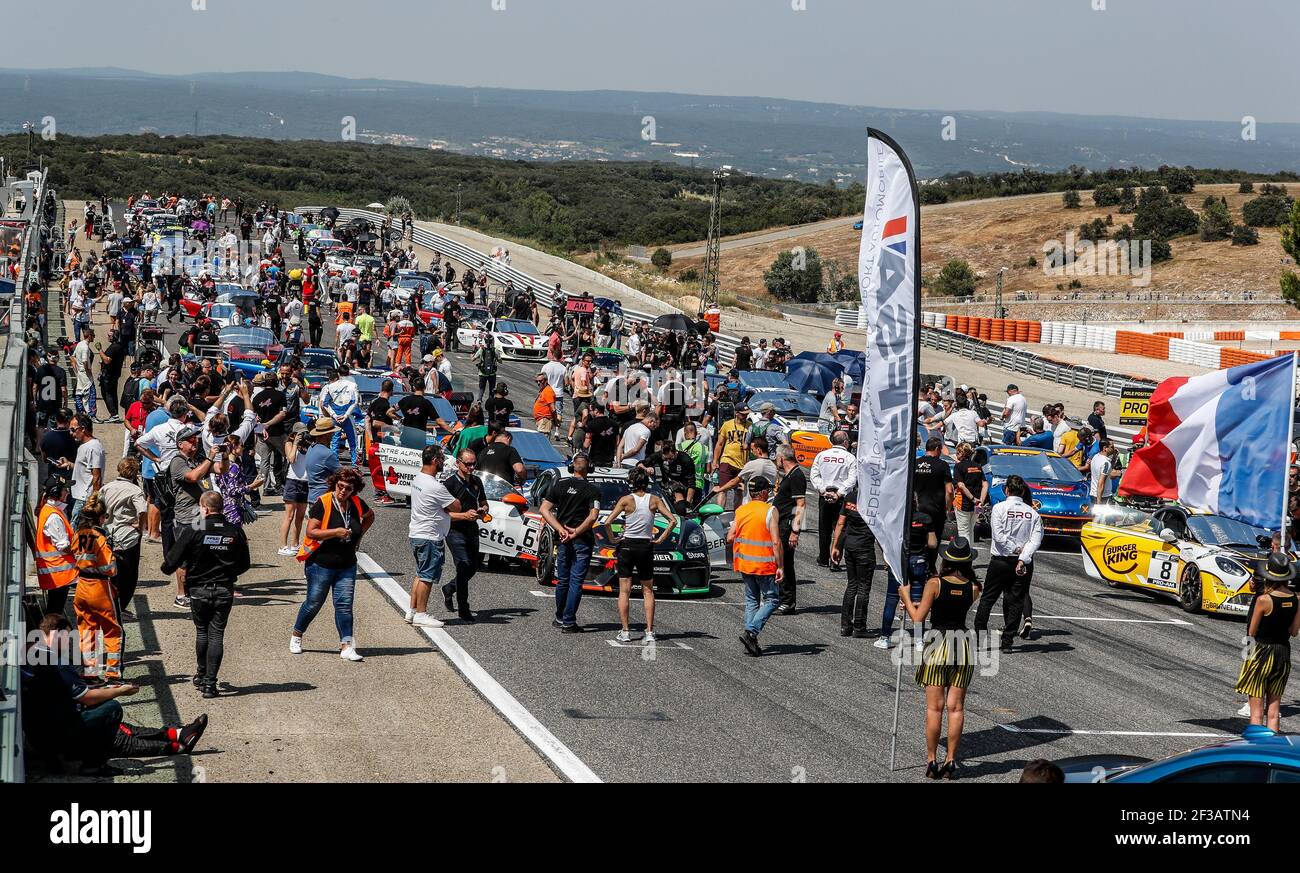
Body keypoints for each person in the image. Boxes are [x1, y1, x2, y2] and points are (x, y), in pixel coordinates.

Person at [21, 614, 208, 777]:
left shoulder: (29, 650)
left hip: (41, 730)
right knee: (112, 715)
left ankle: (177, 734)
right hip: (57, 733)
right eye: (67, 635)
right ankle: (95, 764)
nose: (70, 641)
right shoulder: (56, 663)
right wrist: (121, 690)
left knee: (114, 726)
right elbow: (86, 697)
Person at [898, 537, 981, 780]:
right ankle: (951, 759)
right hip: (963, 644)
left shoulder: (935, 583)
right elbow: (953, 604)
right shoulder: (975, 587)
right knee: (956, 708)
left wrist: (906, 597)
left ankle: (932, 759)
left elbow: (918, 618)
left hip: (938, 643)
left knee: (935, 708)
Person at [163, 491, 251, 698]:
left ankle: (202, 675)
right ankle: (210, 684)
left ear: (204, 508)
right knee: (216, 634)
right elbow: (245, 564)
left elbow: (170, 562)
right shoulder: (234, 530)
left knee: (202, 632)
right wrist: (228, 572)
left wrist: (174, 567)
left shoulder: (196, 528)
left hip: (199, 589)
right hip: (223, 589)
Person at [293, 467, 374, 661]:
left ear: (354, 490)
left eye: (348, 488)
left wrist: (358, 536)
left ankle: (346, 645)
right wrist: (335, 532)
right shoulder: (324, 502)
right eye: (340, 486)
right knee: (314, 603)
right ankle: (297, 634)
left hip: (346, 564)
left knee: (344, 605)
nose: (343, 491)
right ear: (334, 484)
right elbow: (311, 532)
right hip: (321, 563)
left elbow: (370, 516)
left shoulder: (356, 503)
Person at [973, 474, 1043, 652]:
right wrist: (1022, 556)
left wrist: (1016, 550)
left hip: (1001, 561)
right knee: (1016, 601)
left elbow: (998, 535)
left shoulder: (999, 508)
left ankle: (980, 638)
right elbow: (1036, 540)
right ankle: (1007, 642)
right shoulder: (1033, 513)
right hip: (1022, 563)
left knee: (988, 599)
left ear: (1006, 490)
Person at [604, 466, 674, 642]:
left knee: (625, 590)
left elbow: (607, 522)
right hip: (645, 545)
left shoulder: (626, 500)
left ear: (631, 482)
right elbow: (672, 520)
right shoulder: (654, 500)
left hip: (627, 545)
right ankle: (649, 631)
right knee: (648, 590)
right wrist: (659, 539)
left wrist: (613, 539)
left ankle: (626, 631)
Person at [1236, 553, 1299, 732]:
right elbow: (1294, 632)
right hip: (1282, 652)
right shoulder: (1296, 599)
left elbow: (1252, 631)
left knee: (1256, 712)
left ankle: (1256, 750)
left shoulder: (1263, 600)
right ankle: (1272, 748)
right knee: (1274, 710)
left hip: (1261, 652)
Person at [540, 455, 602, 633]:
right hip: (581, 539)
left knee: (563, 579)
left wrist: (560, 529)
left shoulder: (560, 485)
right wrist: (577, 531)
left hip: (564, 538)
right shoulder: (593, 490)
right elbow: (593, 516)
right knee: (576, 581)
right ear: (589, 468)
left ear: (571, 467)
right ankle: (568, 621)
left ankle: (560, 617)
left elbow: (545, 509)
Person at [406, 445, 459, 629]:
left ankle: (412, 610)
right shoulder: (435, 486)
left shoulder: (418, 479)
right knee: (427, 576)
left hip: (418, 532)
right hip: (430, 536)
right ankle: (421, 613)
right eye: (442, 459)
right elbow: (457, 506)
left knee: (420, 574)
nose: (444, 462)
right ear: (435, 461)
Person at [729, 476, 784, 656]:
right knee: (772, 600)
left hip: (745, 563)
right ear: (763, 492)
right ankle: (751, 632)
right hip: (764, 565)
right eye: (767, 490)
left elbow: (730, 537)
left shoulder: (741, 510)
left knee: (752, 600)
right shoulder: (770, 511)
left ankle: (750, 639)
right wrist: (781, 566)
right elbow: (776, 542)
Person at [72, 497, 121, 681]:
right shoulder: (100, 537)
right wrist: (114, 558)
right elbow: (110, 569)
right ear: (101, 518)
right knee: (112, 630)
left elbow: (73, 554)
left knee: (86, 630)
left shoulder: (79, 534)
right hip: (99, 588)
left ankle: (89, 671)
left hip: (81, 586)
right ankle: (112, 672)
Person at [442, 450, 488, 622]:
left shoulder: (477, 481)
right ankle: (463, 608)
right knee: (463, 566)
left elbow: (483, 502)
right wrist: (463, 515)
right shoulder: (449, 484)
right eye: (467, 464)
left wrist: (483, 510)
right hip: (454, 531)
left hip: (472, 529)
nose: (471, 467)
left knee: (473, 567)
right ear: (458, 463)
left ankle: (449, 588)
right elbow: (442, 514)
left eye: (474, 463)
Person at [100, 458, 148, 616]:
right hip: (127, 537)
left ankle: (108, 606)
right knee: (128, 574)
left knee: (109, 572)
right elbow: (142, 510)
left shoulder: (107, 488)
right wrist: (140, 527)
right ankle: (119, 608)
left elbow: (96, 506)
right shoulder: (135, 491)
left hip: (107, 534)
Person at [830, 484, 876, 637]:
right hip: (865, 548)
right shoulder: (874, 499)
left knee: (852, 586)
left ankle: (845, 626)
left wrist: (835, 546)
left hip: (850, 546)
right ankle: (859, 627)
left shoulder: (850, 497)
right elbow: (882, 529)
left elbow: (840, 523)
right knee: (863, 588)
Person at [811, 431, 857, 570]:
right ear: (845, 442)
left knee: (824, 529)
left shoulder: (821, 455)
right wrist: (839, 493)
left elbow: (814, 475)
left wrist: (823, 490)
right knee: (840, 529)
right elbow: (852, 479)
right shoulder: (850, 458)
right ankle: (835, 560)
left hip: (824, 497)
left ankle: (824, 558)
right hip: (841, 499)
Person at [35, 477, 79, 617]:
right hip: (60, 571)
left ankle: (52, 635)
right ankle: (51, 636)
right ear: (56, 493)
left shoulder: (49, 510)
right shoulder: (53, 516)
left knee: (55, 609)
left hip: (57, 570)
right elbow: (64, 545)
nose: (67, 492)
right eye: (65, 489)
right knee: (55, 611)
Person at [912, 437, 952, 563]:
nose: (940, 452)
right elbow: (949, 490)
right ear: (936, 449)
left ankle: (916, 564)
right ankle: (930, 568)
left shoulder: (915, 463)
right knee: (934, 541)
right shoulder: (943, 465)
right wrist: (948, 508)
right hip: (936, 510)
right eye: (940, 449)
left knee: (916, 539)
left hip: (917, 509)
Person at [279, 422, 312, 555]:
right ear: (294, 434)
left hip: (306, 482)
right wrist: (295, 444)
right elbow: (291, 459)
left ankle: (295, 544)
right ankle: (282, 546)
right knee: (289, 516)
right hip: (292, 481)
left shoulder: (309, 445)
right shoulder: (289, 444)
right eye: (300, 433)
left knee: (300, 516)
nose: (302, 435)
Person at [67, 414, 106, 526]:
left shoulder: (93, 447)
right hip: (78, 496)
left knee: (75, 528)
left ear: (83, 429)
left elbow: (96, 476)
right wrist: (69, 464)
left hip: (84, 498)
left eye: (73, 429)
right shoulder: (84, 446)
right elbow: (85, 469)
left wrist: (93, 500)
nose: (71, 433)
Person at [319, 367, 360, 466]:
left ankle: (334, 464)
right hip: (347, 416)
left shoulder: (329, 386)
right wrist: (346, 415)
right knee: (352, 441)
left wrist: (334, 415)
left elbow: (323, 403)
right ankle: (354, 465)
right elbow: (355, 402)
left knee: (334, 441)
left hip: (335, 416)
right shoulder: (353, 385)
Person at [952, 442, 988, 543]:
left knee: (963, 531)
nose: (956, 455)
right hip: (978, 504)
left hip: (963, 503)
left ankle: (965, 555)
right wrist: (981, 500)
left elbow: (961, 485)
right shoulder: (978, 466)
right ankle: (970, 553)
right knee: (970, 529)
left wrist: (972, 499)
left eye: (957, 453)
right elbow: (985, 484)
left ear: (961, 453)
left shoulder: (958, 467)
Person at [1090, 439, 1121, 504]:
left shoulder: (1096, 457)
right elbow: (1101, 483)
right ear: (1105, 448)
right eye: (1112, 447)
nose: (1114, 449)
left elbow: (1109, 469)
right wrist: (1099, 502)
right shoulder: (1105, 463)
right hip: (1103, 496)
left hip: (1093, 493)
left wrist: (1114, 457)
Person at [532, 371, 558, 435]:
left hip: (545, 420)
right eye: (537, 381)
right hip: (541, 420)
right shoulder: (543, 390)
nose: (538, 383)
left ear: (546, 380)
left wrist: (555, 421)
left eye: (540, 381)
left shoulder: (548, 391)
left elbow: (553, 409)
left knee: (542, 441)